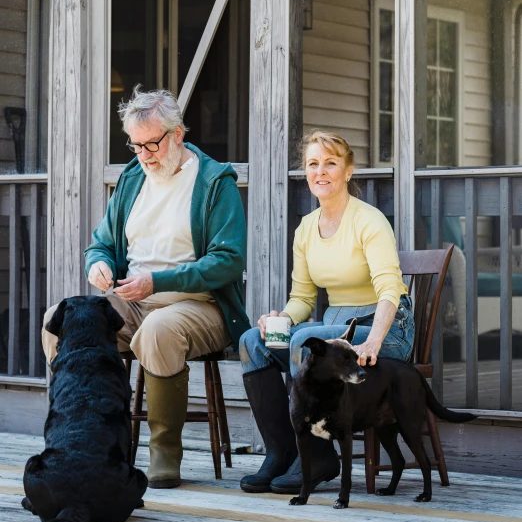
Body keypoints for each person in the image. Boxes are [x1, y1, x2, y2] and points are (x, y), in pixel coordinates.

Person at [42, 86, 249, 489]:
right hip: (132, 301)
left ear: (177, 134)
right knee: (58, 319)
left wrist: (159, 281)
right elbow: (100, 242)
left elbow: (227, 261)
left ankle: (164, 453)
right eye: (135, 146)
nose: (143, 155)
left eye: (151, 144)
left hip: (199, 305)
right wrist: (98, 264)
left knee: (159, 330)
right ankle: (74, 431)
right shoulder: (133, 178)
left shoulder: (213, 181)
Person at [239, 130, 414, 494]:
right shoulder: (305, 229)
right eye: (313, 164)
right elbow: (303, 299)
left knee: (304, 341)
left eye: (331, 163)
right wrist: (281, 320)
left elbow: (389, 289)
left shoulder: (370, 220)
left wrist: (375, 342)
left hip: (385, 327)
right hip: (339, 328)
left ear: (348, 171)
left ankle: (318, 457)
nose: (321, 171)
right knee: (252, 341)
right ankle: (283, 449)